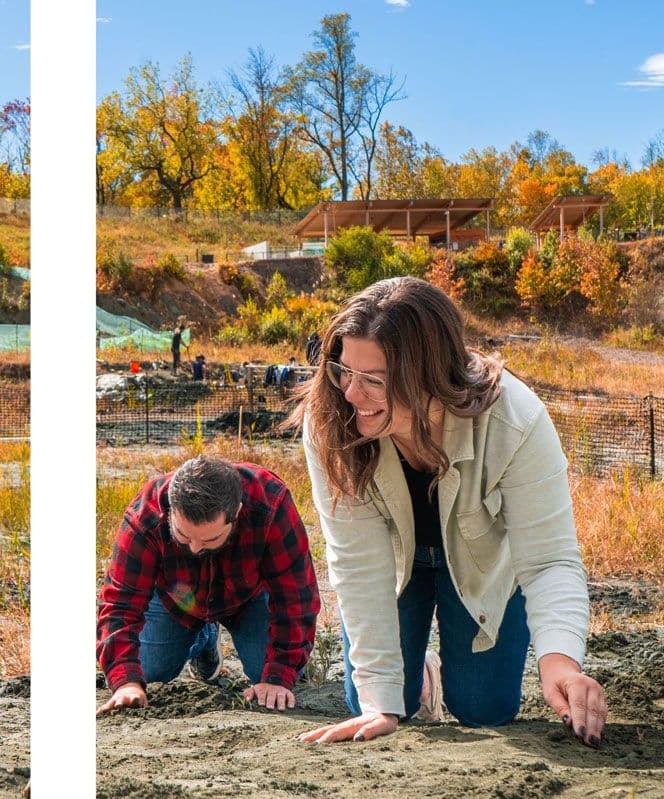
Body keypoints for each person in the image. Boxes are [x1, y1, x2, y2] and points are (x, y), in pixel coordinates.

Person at [289, 277, 607, 747]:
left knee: (485, 709)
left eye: (373, 379)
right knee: (374, 705)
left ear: (429, 377)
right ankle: (417, 673)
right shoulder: (332, 418)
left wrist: (560, 659)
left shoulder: (515, 420)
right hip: (395, 563)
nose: (351, 394)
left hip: (483, 569)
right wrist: (381, 695)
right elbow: (357, 563)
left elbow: (549, 561)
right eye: (344, 371)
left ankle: (433, 671)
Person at [96, 455, 320, 714]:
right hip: (177, 597)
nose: (194, 547)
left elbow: (297, 597)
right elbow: (119, 603)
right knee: (148, 673)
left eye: (210, 539)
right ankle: (203, 640)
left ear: (235, 513)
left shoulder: (270, 503)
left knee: (272, 675)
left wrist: (277, 677)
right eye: (183, 535)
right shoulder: (145, 515)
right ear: (171, 507)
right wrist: (126, 683)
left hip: (248, 597)